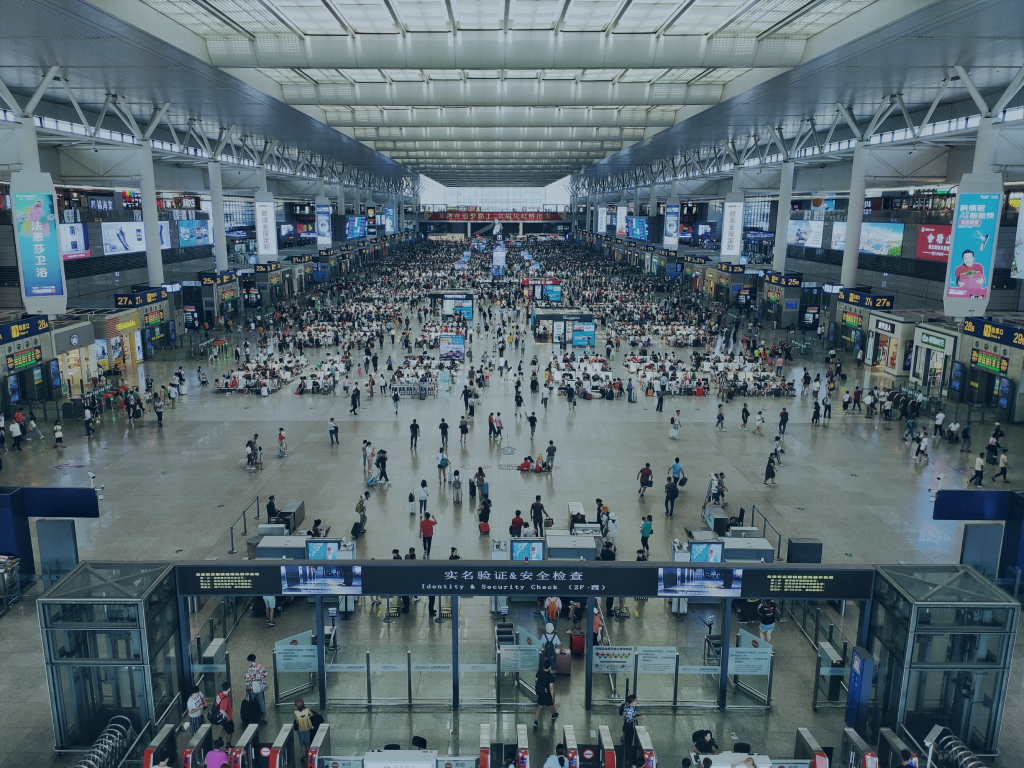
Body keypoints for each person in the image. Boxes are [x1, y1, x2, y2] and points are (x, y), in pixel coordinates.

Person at [533, 658, 558, 730]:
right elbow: (551, 688)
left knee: (539, 706)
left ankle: (535, 721)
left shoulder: (539, 672)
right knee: (551, 704)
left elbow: (536, 680)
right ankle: (553, 715)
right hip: (547, 694)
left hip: (540, 693)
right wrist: (552, 697)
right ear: (550, 667)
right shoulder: (550, 676)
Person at [245, 654, 268, 723]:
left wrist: (247, 687)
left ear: (249, 661)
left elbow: (247, 679)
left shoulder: (249, 669)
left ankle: (253, 714)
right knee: (261, 700)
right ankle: (264, 715)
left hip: (252, 686)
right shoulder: (260, 666)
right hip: (259, 685)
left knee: (252, 700)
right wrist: (259, 677)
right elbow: (265, 674)